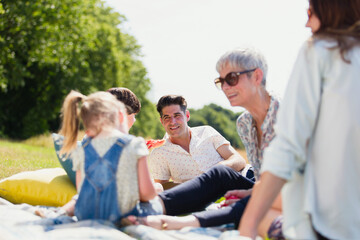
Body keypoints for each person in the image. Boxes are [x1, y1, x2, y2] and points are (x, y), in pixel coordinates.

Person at [128, 47, 284, 239]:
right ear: (162, 121)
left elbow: (259, 170)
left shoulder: (286, 114)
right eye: (221, 81)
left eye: (232, 79)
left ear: (257, 76)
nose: (225, 87)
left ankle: (179, 222)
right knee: (222, 177)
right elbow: (160, 184)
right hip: (252, 186)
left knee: (222, 177)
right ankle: (150, 209)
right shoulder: (245, 123)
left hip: (284, 190)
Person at [239, 0, 360, 239]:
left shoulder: (321, 50)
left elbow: (288, 146)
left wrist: (247, 227)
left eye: (311, 12)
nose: (306, 23)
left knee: (263, 216)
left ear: (331, 10)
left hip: (332, 224)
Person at [56, 90, 162, 223]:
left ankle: (60, 212)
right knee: (158, 202)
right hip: (122, 213)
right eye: (133, 115)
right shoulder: (136, 144)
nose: (134, 120)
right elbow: (147, 193)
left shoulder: (82, 148)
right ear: (121, 115)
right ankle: (134, 221)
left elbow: (82, 191)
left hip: (86, 214)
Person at [149, 94, 247, 185]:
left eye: (177, 115)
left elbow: (239, 160)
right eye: (167, 117)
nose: (172, 122)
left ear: (187, 116)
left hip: (238, 183)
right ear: (161, 121)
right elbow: (163, 190)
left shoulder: (207, 132)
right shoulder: (159, 153)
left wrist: (218, 171)